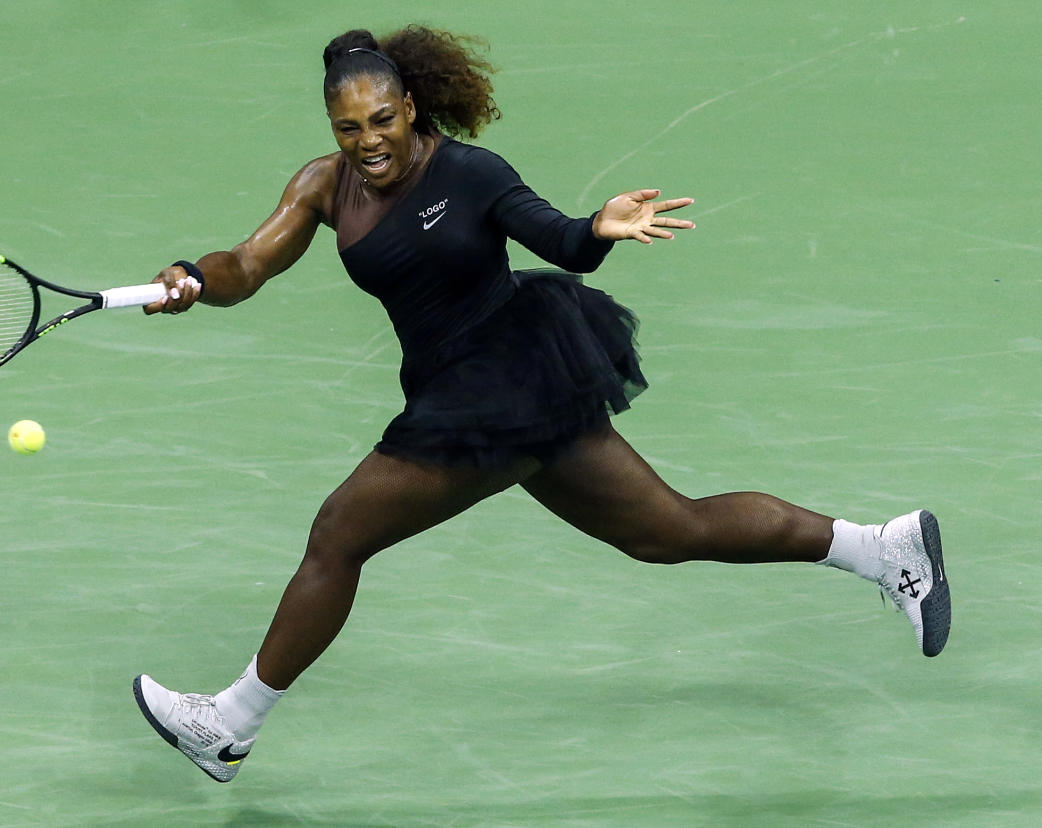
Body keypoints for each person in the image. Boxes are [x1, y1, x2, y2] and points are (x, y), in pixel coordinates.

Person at [131, 25, 951, 783]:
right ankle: (881, 549)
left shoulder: (471, 172)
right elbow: (246, 262)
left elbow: (559, 240)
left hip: (503, 377)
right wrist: (195, 280)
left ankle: (229, 723)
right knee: (666, 530)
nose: (369, 141)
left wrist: (601, 225)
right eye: (349, 128)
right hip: (483, 389)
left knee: (338, 534)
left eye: (382, 119)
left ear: (410, 106)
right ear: (332, 128)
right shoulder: (324, 185)